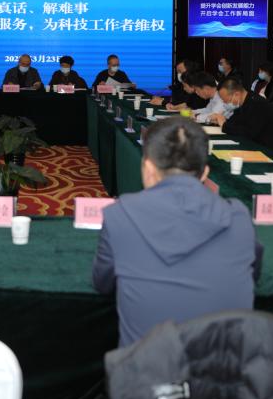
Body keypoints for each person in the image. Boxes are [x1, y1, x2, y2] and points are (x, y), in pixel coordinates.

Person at [92, 115, 261, 346]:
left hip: (145, 366)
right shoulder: (239, 217)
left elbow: (102, 284)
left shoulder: (118, 215)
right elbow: (253, 274)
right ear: (204, 174)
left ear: (148, 168)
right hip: (226, 366)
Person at [209, 78, 273, 155]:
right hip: (259, 146)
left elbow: (248, 133)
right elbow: (235, 123)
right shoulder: (243, 103)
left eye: (227, 101)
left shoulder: (257, 104)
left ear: (236, 94)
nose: (225, 104)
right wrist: (222, 121)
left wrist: (224, 125)